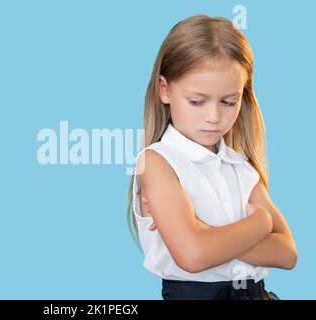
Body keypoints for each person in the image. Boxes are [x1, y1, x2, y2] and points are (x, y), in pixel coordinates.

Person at [127, 14, 297, 300]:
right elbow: (193, 255)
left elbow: (287, 254)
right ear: (165, 89)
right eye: (197, 101)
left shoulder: (240, 167)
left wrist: (209, 234)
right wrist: (261, 224)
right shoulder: (157, 162)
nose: (214, 117)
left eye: (228, 102)